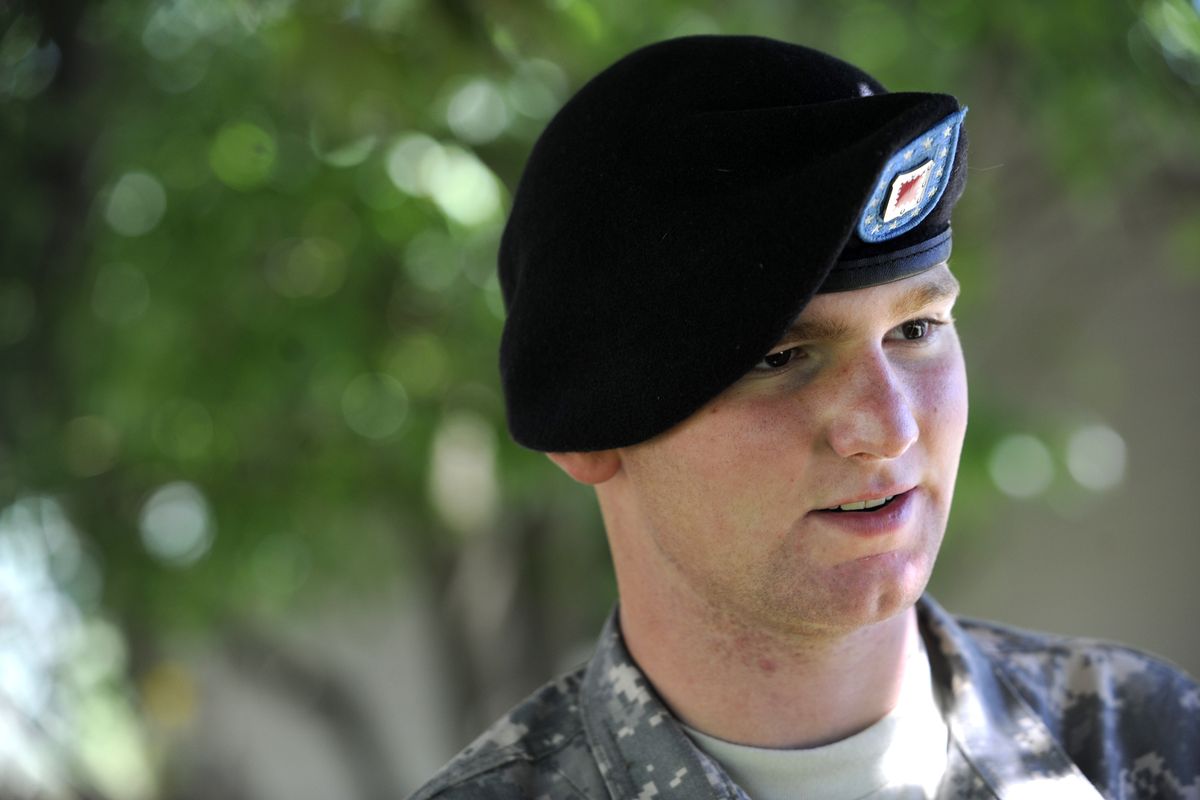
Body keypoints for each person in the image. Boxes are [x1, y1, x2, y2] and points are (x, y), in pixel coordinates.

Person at [410, 35, 1200, 800]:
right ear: (588, 432)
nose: (891, 428)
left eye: (916, 330)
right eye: (778, 359)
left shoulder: (1147, 743)